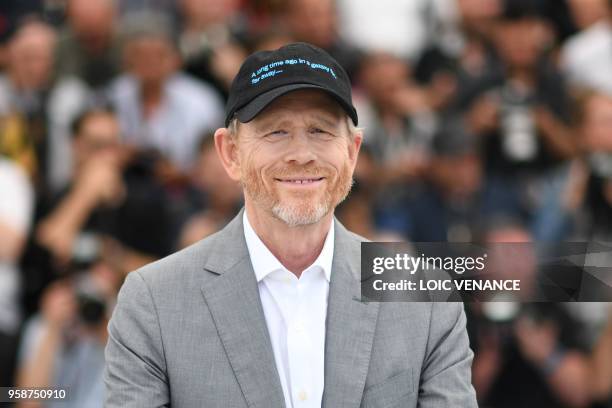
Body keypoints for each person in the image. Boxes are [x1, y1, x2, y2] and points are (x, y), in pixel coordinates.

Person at [104, 42, 478, 407]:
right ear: (230, 153)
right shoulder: (154, 301)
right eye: (276, 131)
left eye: (320, 130)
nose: (301, 154)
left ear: (352, 152)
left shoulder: (425, 299)